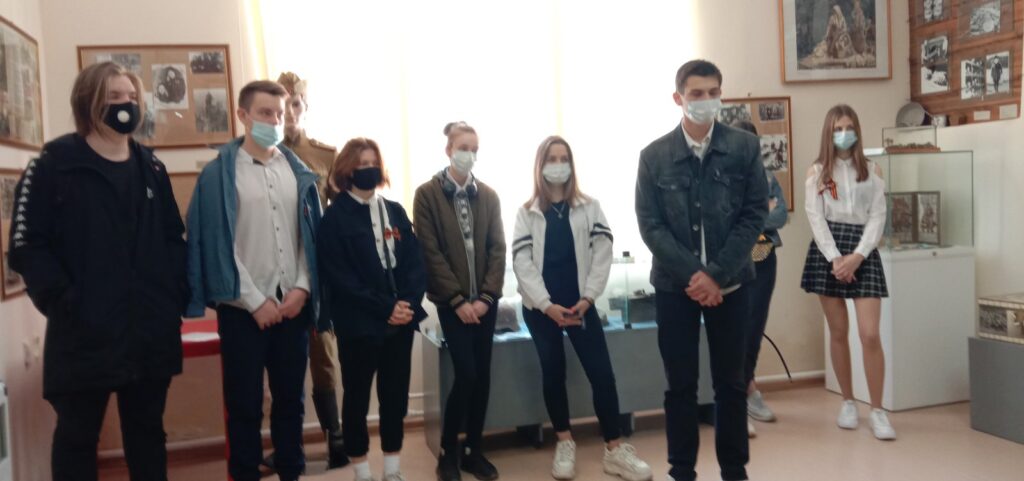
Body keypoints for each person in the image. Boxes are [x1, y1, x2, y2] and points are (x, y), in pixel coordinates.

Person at [8, 61, 187, 481]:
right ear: (88, 103)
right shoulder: (54, 165)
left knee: (147, 434)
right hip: (83, 335)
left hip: (149, 332)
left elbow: (172, 238)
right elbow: (27, 246)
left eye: (132, 97)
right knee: (77, 437)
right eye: (114, 97)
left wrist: (171, 297)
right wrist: (66, 302)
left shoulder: (151, 167)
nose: (126, 105)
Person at [635, 59, 768, 481]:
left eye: (713, 93)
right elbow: (650, 225)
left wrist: (717, 275)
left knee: (731, 383)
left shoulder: (744, 148)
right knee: (680, 385)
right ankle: (681, 470)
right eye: (696, 94)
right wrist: (696, 275)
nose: (706, 101)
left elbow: (753, 215)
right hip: (676, 289)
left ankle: (734, 469)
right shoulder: (654, 156)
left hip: (732, 286)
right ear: (679, 98)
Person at [185, 80, 325, 481]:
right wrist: (254, 301)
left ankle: (291, 473)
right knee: (244, 406)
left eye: (280, 113)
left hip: (292, 306)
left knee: (291, 403)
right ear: (243, 115)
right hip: (242, 310)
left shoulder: (298, 172)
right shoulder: (218, 175)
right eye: (265, 113)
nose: (275, 121)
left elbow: (309, 238)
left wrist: (302, 288)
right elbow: (217, 244)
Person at [512, 135, 652, 481]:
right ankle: (564, 441)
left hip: (581, 306)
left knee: (602, 374)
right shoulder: (527, 213)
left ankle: (614, 449)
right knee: (553, 372)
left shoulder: (590, 207)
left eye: (564, 158)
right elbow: (522, 264)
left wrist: (588, 298)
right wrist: (547, 306)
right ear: (540, 165)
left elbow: (602, 255)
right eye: (552, 158)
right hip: (541, 309)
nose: (558, 165)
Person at [318, 137, 428, 481]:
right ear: (347, 170)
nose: (369, 169)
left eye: (374, 163)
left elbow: (415, 262)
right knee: (356, 399)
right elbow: (341, 278)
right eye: (361, 164)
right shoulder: (334, 218)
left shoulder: (394, 210)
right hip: (359, 324)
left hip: (401, 322)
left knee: (395, 399)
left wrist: (408, 303)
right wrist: (385, 308)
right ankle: (362, 472)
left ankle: (392, 469)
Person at [260, 71, 348, 471]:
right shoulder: (261, 155)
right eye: (284, 104)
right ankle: (287, 443)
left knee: (323, 355)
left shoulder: (325, 156)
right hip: (274, 273)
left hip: (315, 272)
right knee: (281, 363)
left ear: (305, 107)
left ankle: (336, 437)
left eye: (296, 104)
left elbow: (341, 218)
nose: (290, 112)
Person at [414, 121, 506, 481]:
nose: (469, 154)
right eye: (463, 147)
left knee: (482, 377)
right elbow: (430, 251)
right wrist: (457, 300)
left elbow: (497, 249)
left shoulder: (489, 196)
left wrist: (486, 298)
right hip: (451, 303)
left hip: (485, 302)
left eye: (474, 149)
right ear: (449, 150)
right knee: (465, 374)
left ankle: (473, 451)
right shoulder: (427, 195)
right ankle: (447, 451)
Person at [801, 104, 896, 441]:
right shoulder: (817, 172)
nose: (844, 133)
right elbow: (815, 217)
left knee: (870, 334)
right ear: (828, 133)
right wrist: (835, 259)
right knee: (838, 332)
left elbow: (878, 215)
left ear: (857, 129)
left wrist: (857, 256)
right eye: (838, 128)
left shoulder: (873, 170)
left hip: (862, 250)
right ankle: (848, 402)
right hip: (829, 252)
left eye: (849, 127)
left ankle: (878, 410)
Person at [731, 121, 789, 438]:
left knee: (756, 325)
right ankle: (737, 394)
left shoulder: (766, 177)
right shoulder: (723, 178)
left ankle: (748, 385)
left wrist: (753, 217)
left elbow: (780, 216)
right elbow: (727, 220)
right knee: (735, 329)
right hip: (734, 260)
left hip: (764, 257)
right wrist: (760, 212)